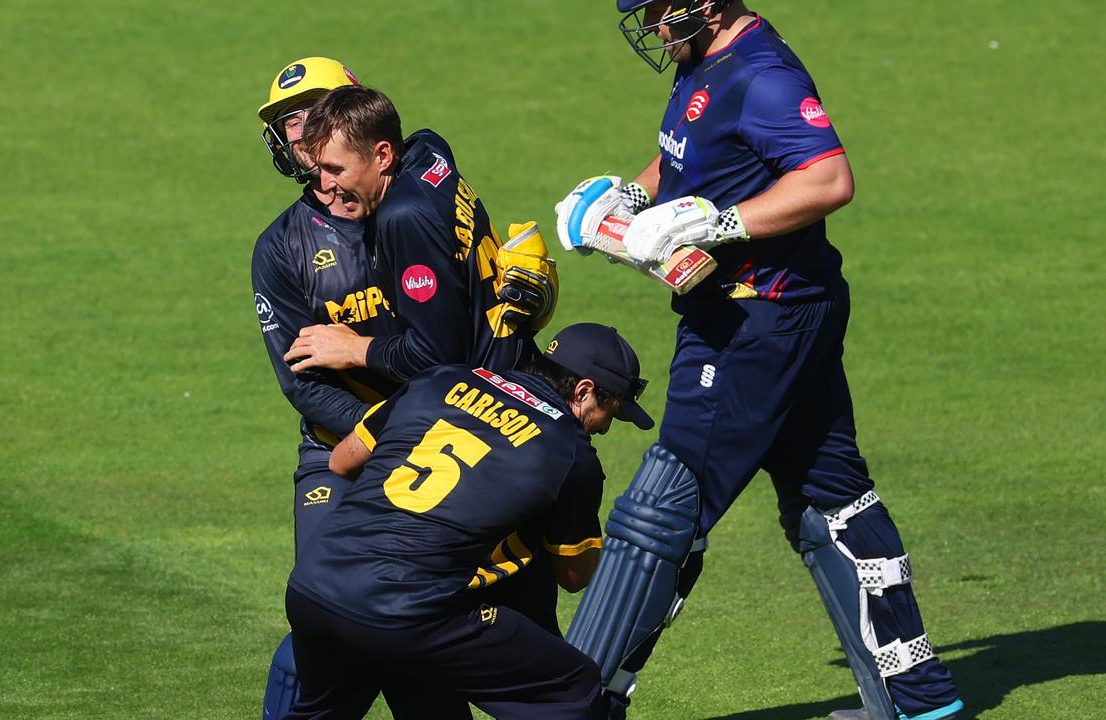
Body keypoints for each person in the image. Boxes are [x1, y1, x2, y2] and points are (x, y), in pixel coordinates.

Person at [555, 3, 964, 720]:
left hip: (754, 318)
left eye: (656, 9)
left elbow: (829, 179)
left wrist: (718, 223)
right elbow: (687, 154)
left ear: (705, 2)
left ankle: (570, 707)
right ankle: (914, 696)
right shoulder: (700, 59)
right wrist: (629, 199)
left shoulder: (765, 76)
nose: (650, 26)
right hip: (780, 309)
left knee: (663, 509)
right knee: (829, 497)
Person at [253, 60, 564, 719]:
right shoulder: (282, 249)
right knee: (330, 614)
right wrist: (392, 436)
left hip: (455, 432)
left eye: (318, 111)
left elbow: (450, 333)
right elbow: (306, 388)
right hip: (344, 452)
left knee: (502, 609)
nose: (304, 130)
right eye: (291, 120)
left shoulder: (403, 199)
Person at [285, 323, 654, 720]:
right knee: (574, 689)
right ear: (582, 391)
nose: (605, 427)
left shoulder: (441, 377)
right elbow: (574, 576)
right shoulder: (572, 453)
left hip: (314, 585)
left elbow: (341, 460)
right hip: (408, 611)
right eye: (609, 411)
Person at [282, 84, 550, 380]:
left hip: (490, 397)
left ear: (383, 155)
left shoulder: (403, 218)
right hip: (519, 365)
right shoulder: (430, 152)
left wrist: (353, 349)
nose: (327, 183)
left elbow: (437, 355)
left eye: (336, 169)